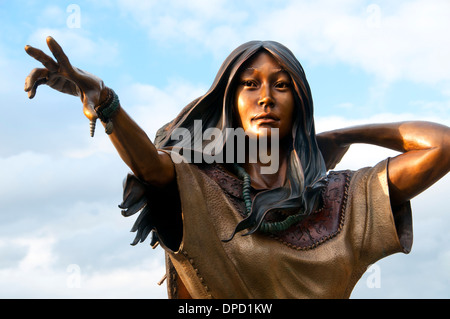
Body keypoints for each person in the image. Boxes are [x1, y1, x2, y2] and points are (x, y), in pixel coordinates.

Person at [25, 37, 449, 299]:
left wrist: (340, 137)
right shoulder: (200, 187)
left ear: (298, 102)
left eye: (282, 85)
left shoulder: (344, 199)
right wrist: (105, 102)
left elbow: (441, 146)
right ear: (231, 101)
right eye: (250, 84)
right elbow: (152, 168)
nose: (266, 96)